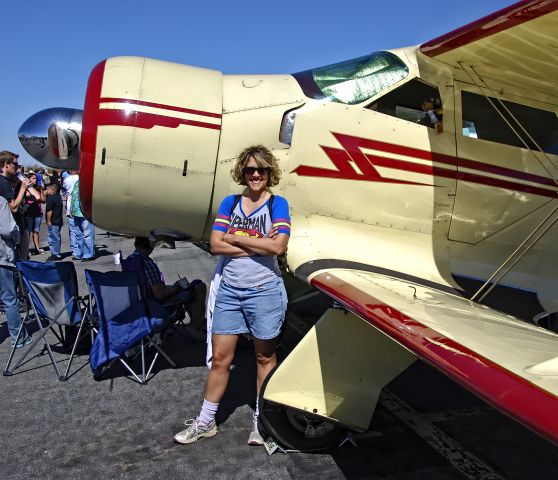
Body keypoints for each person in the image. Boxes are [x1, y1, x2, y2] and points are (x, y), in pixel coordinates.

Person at [173, 145, 291, 446]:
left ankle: (261, 422)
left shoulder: (277, 204)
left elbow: (279, 247)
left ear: (269, 173)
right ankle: (205, 421)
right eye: (250, 169)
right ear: (242, 171)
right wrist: (257, 242)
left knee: (265, 357)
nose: (255, 174)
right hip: (230, 292)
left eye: (261, 169)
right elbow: (215, 245)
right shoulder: (230, 202)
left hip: (264, 292)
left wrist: (236, 236)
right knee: (221, 359)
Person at [130, 237, 207, 340]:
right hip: (155, 305)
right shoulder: (147, 263)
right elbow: (160, 295)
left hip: (140, 302)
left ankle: (190, 322)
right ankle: (194, 327)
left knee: (186, 288)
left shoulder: (131, 259)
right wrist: (177, 288)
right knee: (198, 287)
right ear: (151, 245)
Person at [0, 196, 30, 348]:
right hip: (2, 257)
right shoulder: (0, 201)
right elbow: (7, 229)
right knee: (9, 298)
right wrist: (17, 234)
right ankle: (18, 337)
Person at [0, 151, 32, 260]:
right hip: (8, 232)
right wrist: (23, 188)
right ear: (6, 164)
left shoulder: (5, 182)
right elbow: (13, 208)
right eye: (15, 164)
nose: (17, 167)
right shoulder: (4, 183)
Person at [69, 178, 95, 261]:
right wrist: (71, 210)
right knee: (78, 234)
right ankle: (79, 253)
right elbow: (73, 197)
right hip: (76, 213)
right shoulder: (77, 182)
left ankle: (88, 254)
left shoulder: (90, 183)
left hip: (86, 213)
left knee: (87, 235)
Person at [23, 172, 46, 255]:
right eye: (33, 178)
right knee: (28, 231)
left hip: (38, 212)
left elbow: (43, 200)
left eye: (35, 178)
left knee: (36, 231)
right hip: (29, 213)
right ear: (29, 179)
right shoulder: (25, 189)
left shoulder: (38, 188)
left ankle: (37, 248)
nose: (35, 180)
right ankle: (26, 250)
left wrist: (41, 191)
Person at [45, 183, 64, 261]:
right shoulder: (58, 197)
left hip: (53, 221)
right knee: (55, 237)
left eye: (48, 189)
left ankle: (56, 254)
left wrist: (48, 221)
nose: (47, 191)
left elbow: (49, 211)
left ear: (53, 191)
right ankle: (55, 253)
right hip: (59, 220)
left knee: (53, 238)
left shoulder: (51, 198)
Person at [62, 170, 79, 258]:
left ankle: (74, 250)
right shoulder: (80, 178)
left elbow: (66, 190)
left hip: (70, 207)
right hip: (79, 207)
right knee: (81, 230)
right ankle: (81, 249)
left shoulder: (66, 180)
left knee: (72, 231)